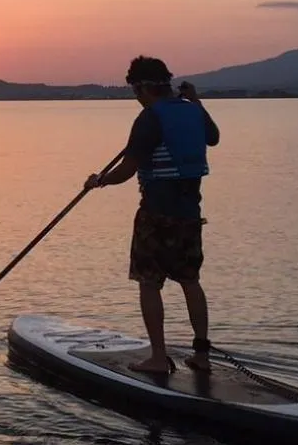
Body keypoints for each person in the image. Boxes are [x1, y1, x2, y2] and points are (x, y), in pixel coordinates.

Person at [84, 56, 220, 376]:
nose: (137, 98)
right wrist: (196, 101)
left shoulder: (149, 118)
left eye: (136, 91)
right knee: (190, 281)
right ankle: (201, 356)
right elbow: (213, 137)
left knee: (148, 283)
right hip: (190, 215)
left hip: (156, 216)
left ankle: (159, 358)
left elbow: (128, 170)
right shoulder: (193, 110)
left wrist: (99, 181)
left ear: (144, 87)